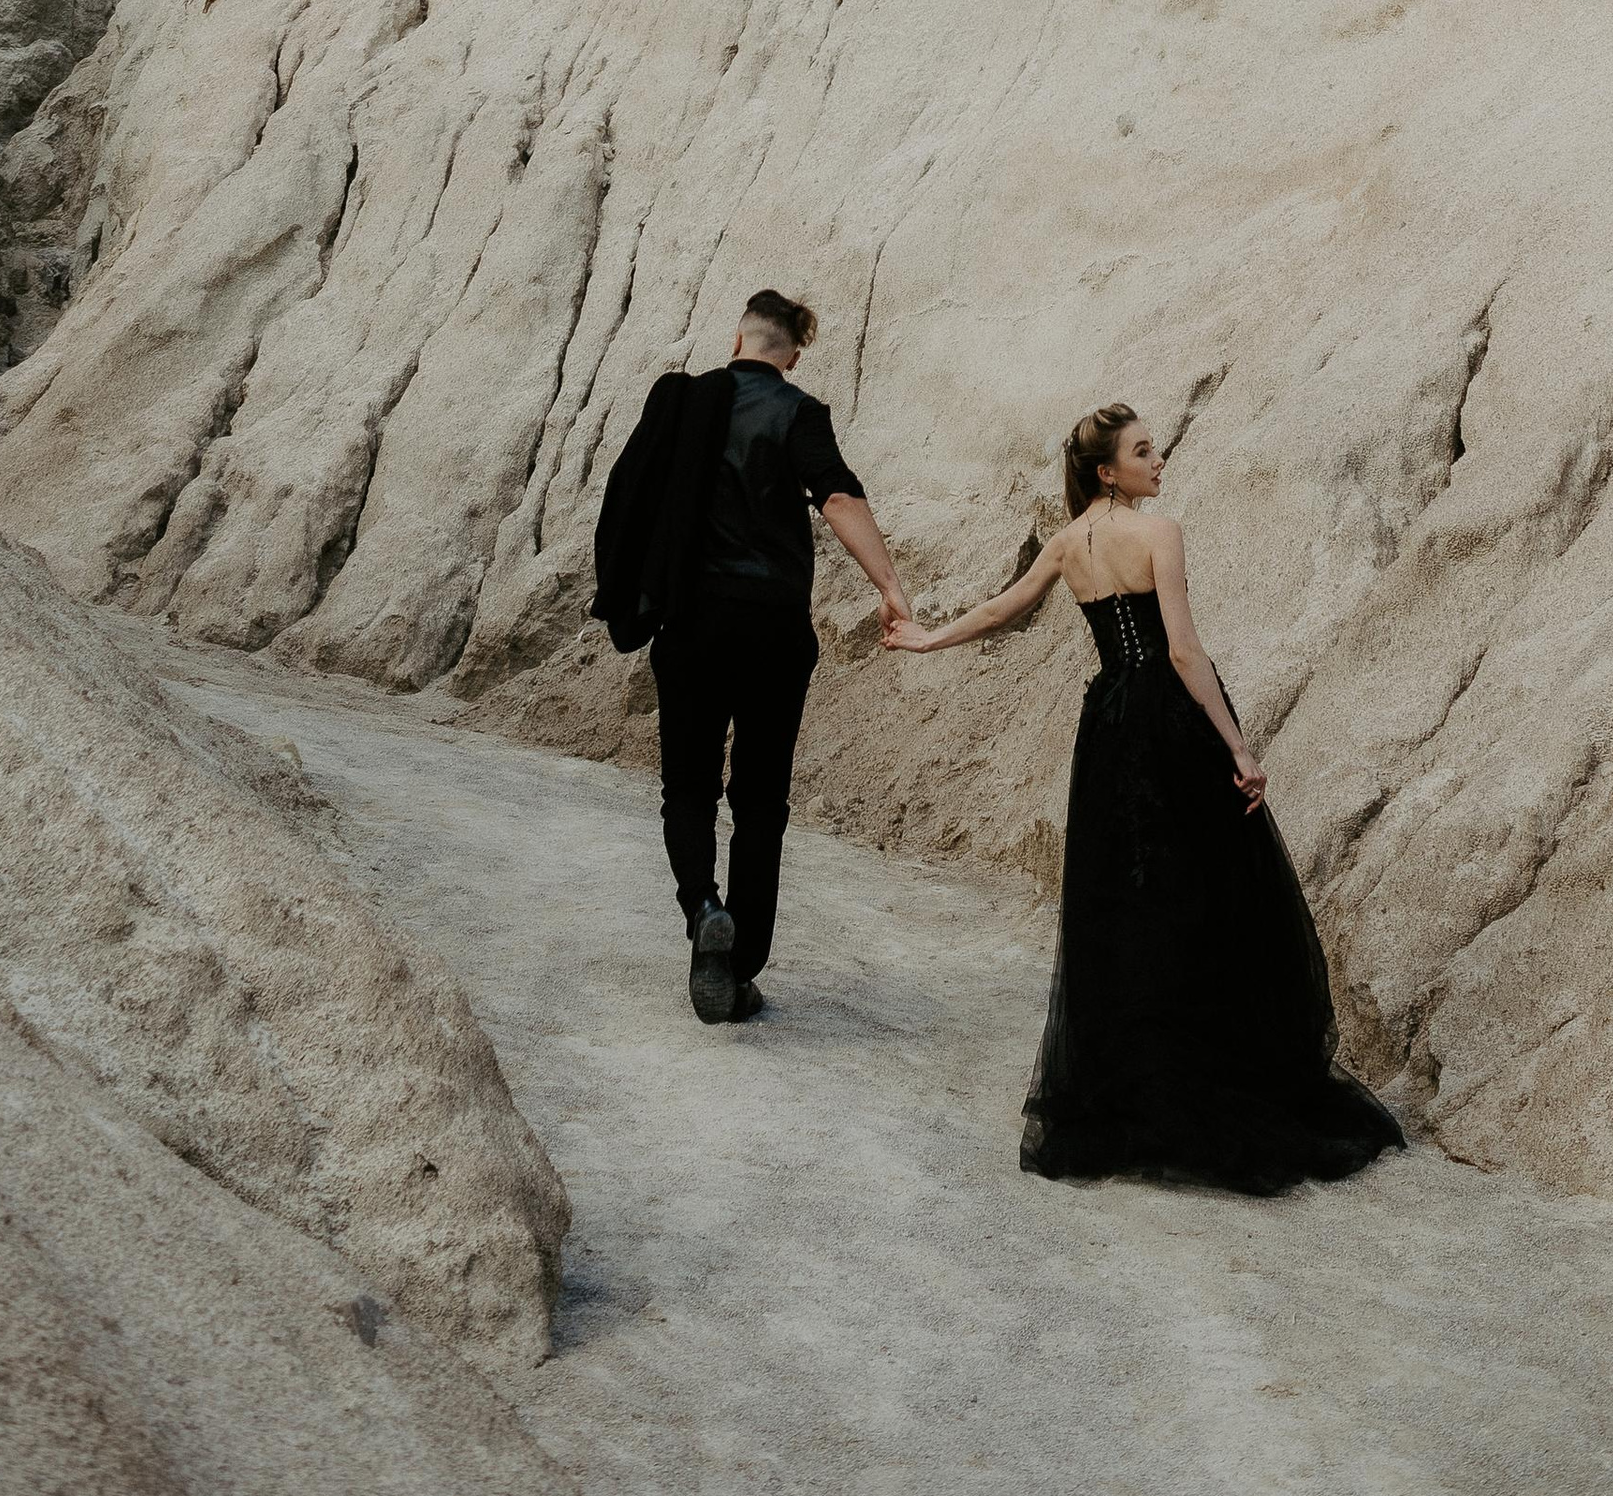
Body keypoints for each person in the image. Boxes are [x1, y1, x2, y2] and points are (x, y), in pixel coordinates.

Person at [884, 398, 1405, 1192]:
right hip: (1169, 722)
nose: (1159, 462)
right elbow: (1186, 653)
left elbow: (1000, 610)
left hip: (1110, 728)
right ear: (1108, 470)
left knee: (1125, 903)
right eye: (1144, 452)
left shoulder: (1068, 543)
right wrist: (1239, 747)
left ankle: (1138, 1095)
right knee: (1209, 896)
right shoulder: (1159, 533)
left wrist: (925, 637)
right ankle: (1214, 1090)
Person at [592, 289, 907, 1023]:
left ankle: (703, 908)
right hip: (772, 627)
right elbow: (836, 496)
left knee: (688, 789)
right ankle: (739, 968)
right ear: (793, 354)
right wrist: (889, 586)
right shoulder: (798, 411)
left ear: (739, 336)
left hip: (694, 624)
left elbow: (630, 496)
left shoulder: (681, 404)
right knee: (761, 799)